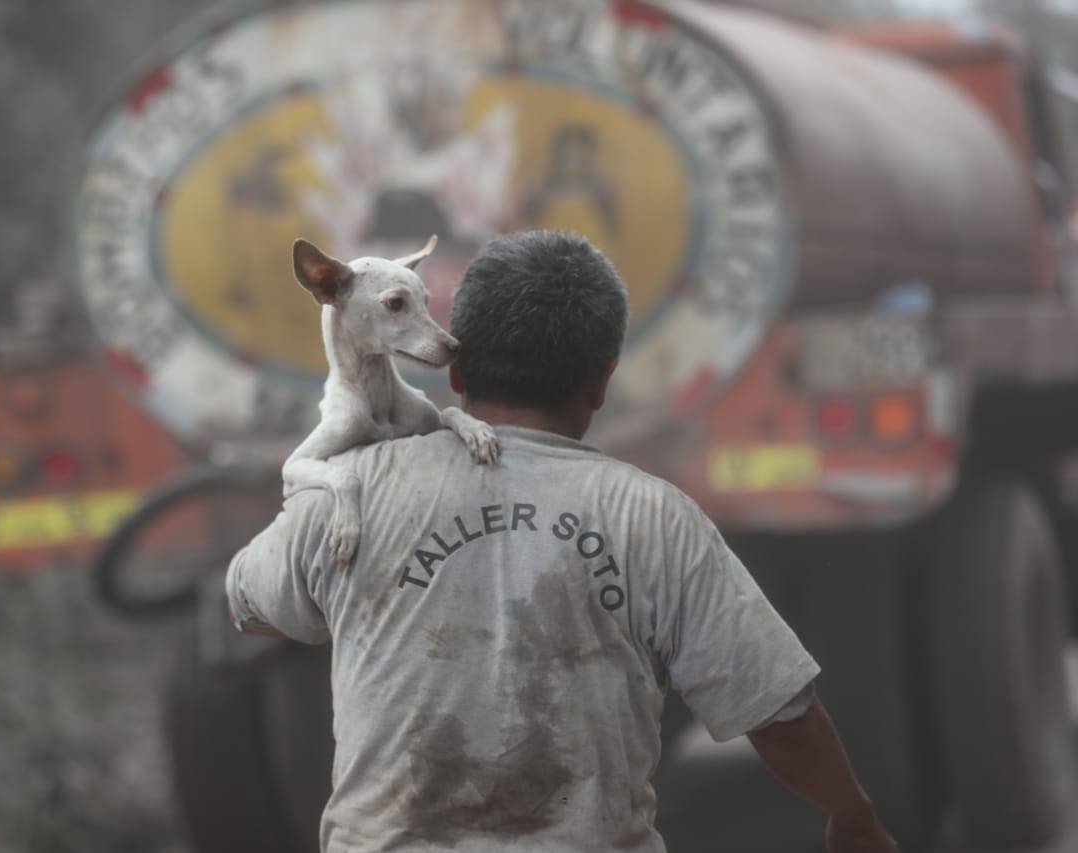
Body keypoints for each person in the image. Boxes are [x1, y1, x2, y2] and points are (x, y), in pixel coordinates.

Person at [222, 230, 897, 852]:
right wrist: (855, 815)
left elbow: (248, 606)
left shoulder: (349, 493)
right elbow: (777, 711)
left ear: (456, 373)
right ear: (602, 381)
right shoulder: (654, 516)